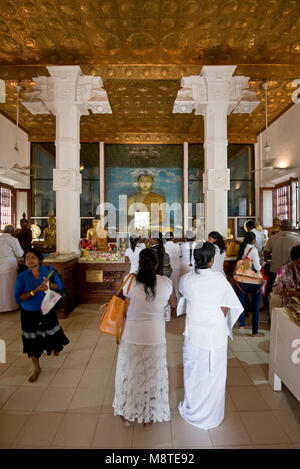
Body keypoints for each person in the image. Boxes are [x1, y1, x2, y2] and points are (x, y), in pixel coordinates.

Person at [177, 242, 243, 430]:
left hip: (194, 331)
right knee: (214, 373)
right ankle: (212, 415)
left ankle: (193, 409)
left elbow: (183, 295)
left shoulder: (186, 279)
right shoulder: (220, 280)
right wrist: (213, 321)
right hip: (215, 332)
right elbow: (225, 306)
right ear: (212, 260)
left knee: (194, 371)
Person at [113, 248, 173, 429]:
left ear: (139, 263)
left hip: (131, 335)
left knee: (130, 373)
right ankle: (149, 417)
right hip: (155, 336)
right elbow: (171, 305)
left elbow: (121, 299)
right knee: (152, 376)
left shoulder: (129, 281)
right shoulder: (166, 283)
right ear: (157, 263)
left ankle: (126, 415)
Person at [14, 248, 69, 383]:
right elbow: (18, 298)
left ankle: (55, 348)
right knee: (32, 340)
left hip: (47, 309)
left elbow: (60, 286)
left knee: (52, 332)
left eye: (33, 257)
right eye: (27, 258)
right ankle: (37, 367)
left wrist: (49, 286)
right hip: (29, 313)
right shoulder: (22, 276)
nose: (30, 260)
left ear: (39, 259)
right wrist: (34, 292)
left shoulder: (48, 270)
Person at [263, 219, 300, 302]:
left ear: (280, 227)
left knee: (275, 292)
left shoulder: (272, 238)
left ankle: (272, 308)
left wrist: (275, 253)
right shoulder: (297, 239)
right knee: (292, 291)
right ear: (290, 227)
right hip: (291, 271)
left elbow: (265, 254)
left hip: (276, 269)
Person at [236, 232, 264, 337]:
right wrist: (262, 264)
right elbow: (257, 268)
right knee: (255, 306)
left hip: (242, 279)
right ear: (253, 240)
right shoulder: (253, 249)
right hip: (253, 281)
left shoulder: (242, 248)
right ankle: (255, 331)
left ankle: (242, 325)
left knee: (242, 303)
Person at [0, 225, 24, 313]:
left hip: (1, 266)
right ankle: (11, 306)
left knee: (1, 287)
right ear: (12, 231)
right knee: (10, 286)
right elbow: (20, 253)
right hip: (8, 266)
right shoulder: (12, 239)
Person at [164, 231, 181, 301]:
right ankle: (178, 301)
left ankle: (170, 301)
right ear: (173, 237)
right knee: (177, 285)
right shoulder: (177, 245)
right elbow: (180, 256)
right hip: (177, 267)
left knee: (168, 285)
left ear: (165, 238)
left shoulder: (163, 246)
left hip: (167, 268)